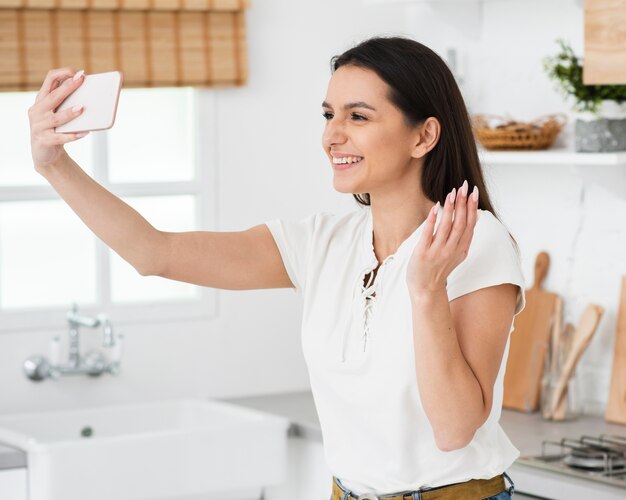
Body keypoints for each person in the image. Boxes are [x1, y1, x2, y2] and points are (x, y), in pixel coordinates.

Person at [28, 35, 524, 500]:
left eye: (358, 116)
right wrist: (54, 165)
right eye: (329, 114)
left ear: (424, 136)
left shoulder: (476, 243)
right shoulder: (321, 242)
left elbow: (454, 429)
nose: (333, 135)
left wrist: (426, 290)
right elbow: (153, 252)